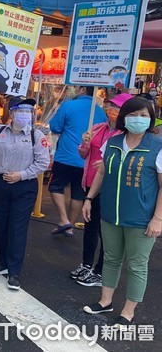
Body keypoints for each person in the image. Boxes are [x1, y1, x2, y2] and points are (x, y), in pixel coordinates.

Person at [82, 96, 162, 326]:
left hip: (141, 218)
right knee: (111, 259)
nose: (138, 119)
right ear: (124, 118)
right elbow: (101, 173)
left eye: (144, 116)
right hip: (111, 213)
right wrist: (89, 198)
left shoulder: (157, 147)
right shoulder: (114, 142)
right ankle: (105, 300)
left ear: (151, 119)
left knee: (137, 264)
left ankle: (128, 311)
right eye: (133, 115)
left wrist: (158, 218)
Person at [0, 96, 50, 290]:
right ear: (11, 113)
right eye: (20, 110)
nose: (24, 114)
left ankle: (14, 271)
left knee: (17, 228)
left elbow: (43, 162)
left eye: (28, 111)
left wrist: (21, 175)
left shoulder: (37, 136)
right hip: (1, 183)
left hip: (24, 187)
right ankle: (3, 262)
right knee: (1, 224)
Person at [72, 93, 132, 287]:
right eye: (110, 106)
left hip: (110, 187)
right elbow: (83, 153)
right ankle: (86, 264)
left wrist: (107, 164)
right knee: (90, 226)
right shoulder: (98, 128)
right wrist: (84, 143)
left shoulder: (127, 136)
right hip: (90, 183)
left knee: (106, 231)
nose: (111, 111)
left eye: (116, 108)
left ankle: (100, 270)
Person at [48, 86, 107, 237]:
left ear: (82, 89)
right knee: (78, 194)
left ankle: (64, 219)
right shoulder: (100, 112)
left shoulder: (68, 105)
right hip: (87, 161)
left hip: (65, 156)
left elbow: (55, 127)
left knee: (55, 186)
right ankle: (69, 225)